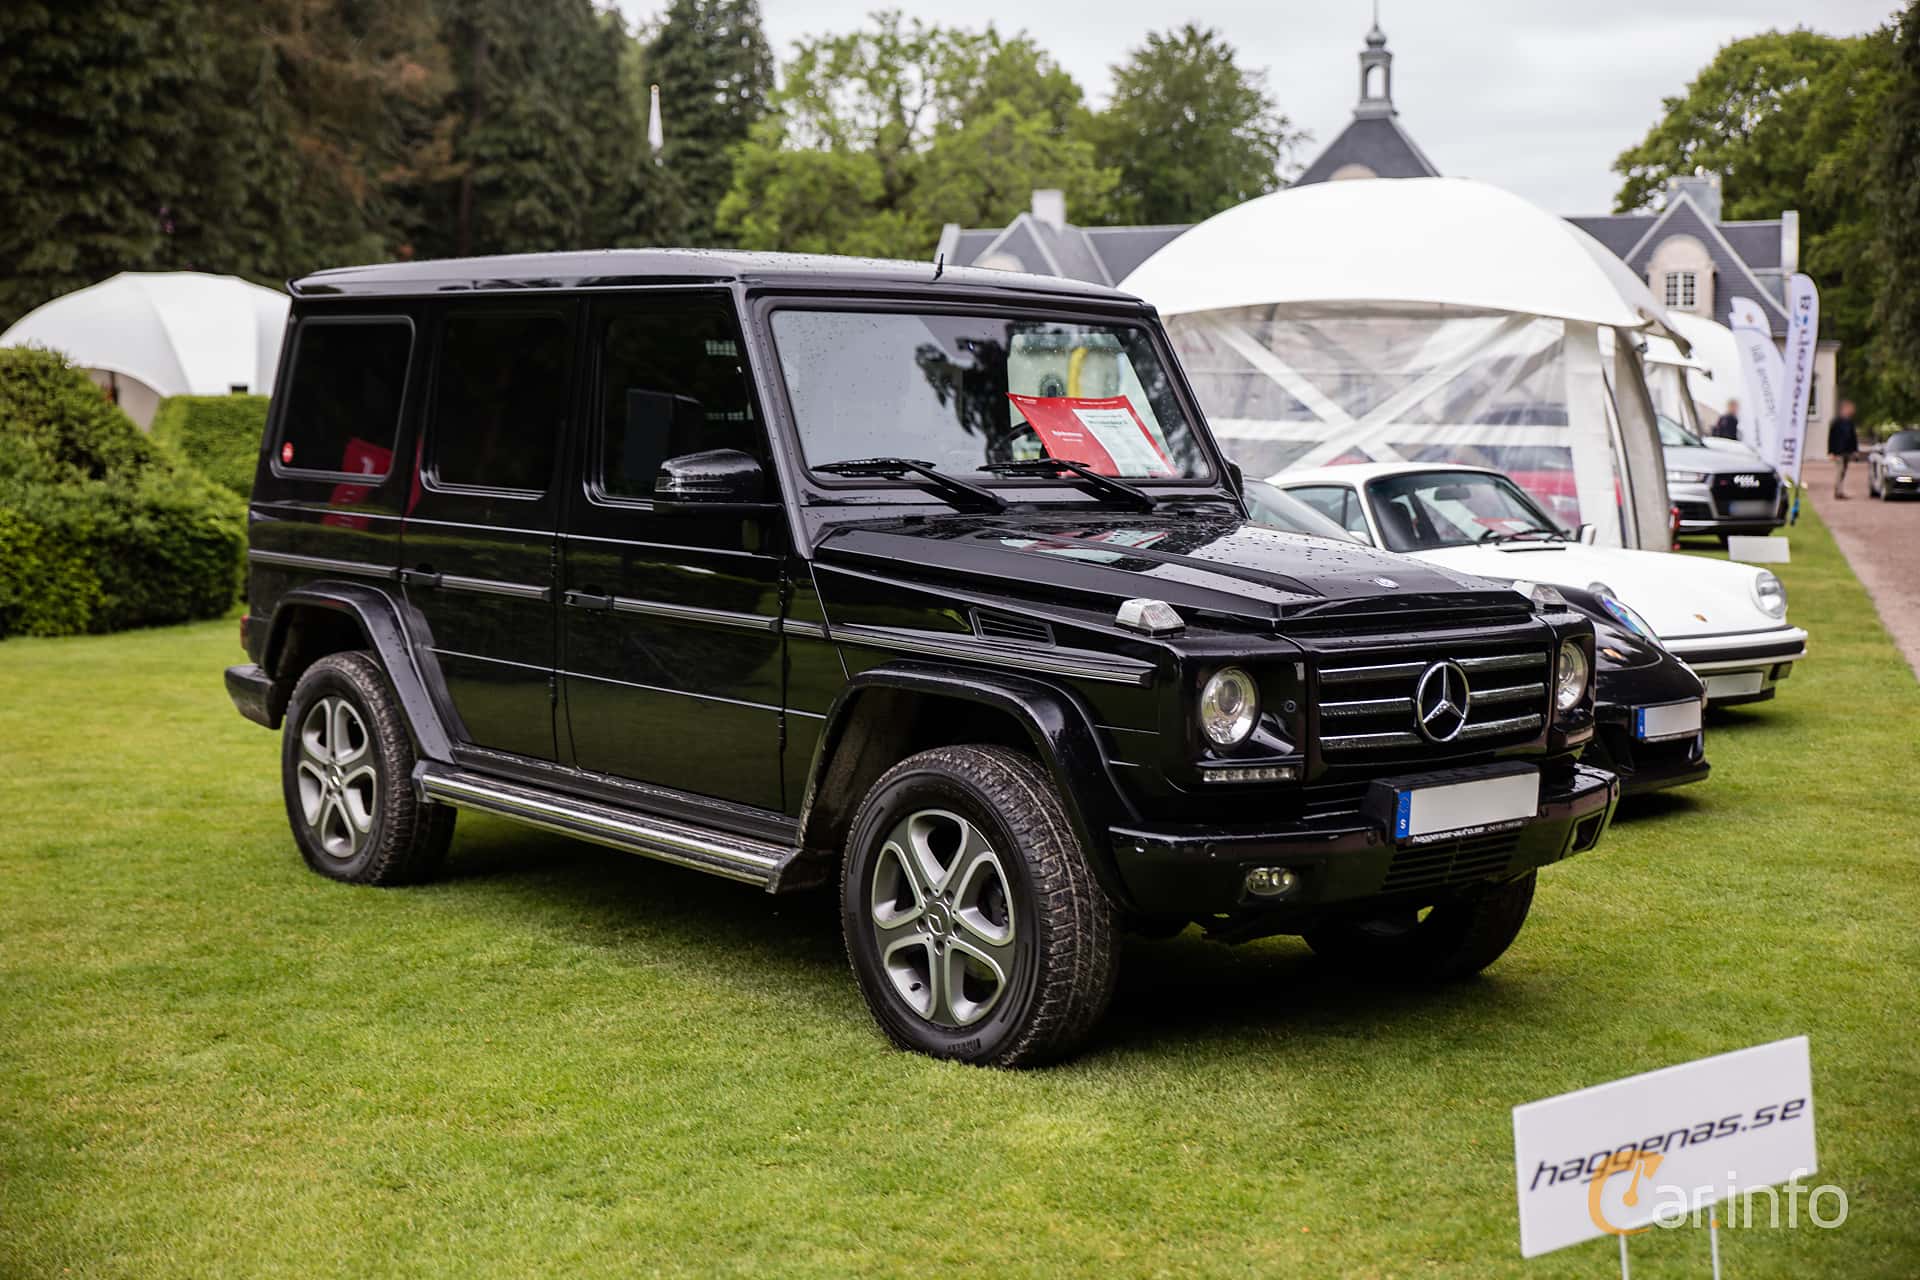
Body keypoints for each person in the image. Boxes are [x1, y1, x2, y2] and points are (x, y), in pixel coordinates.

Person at [1828, 399, 1859, 498]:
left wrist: (1855, 451)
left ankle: (1840, 490)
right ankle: (1837, 491)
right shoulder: (1836, 422)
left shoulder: (1850, 423)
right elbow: (1831, 438)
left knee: (1843, 471)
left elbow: (1853, 438)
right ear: (1844, 409)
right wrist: (1831, 452)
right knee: (1840, 470)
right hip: (1838, 451)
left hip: (1847, 451)